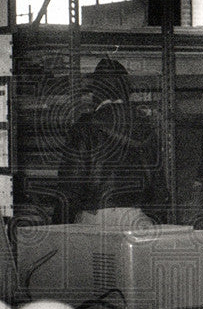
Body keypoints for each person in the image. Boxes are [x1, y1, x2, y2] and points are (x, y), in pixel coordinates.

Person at [58, 57, 168, 228]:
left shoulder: (84, 127)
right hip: (137, 217)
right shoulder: (145, 126)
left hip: (95, 216)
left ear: (96, 92)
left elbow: (72, 183)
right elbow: (159, 184)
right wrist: (156, 220)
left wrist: (58, 225)